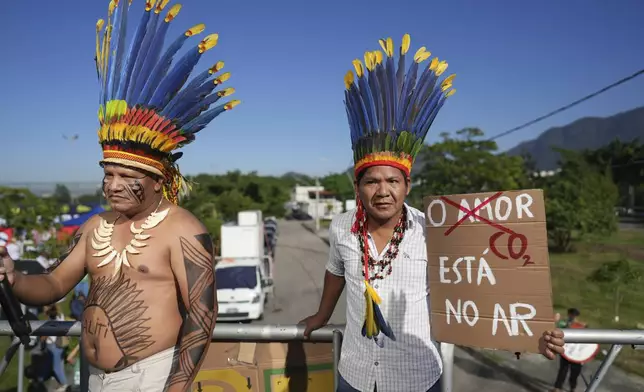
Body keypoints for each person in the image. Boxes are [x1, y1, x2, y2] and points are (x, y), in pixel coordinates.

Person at [300, 34, 566, 392]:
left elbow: (478, 286)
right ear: (357, 188)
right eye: (372, 182)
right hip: (355, 373)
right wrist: (321, 315)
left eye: (393, 181)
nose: (383, 191)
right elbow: (336, 271)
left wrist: (519, 333)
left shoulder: (438, 231)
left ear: (407, 186)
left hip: (418, 377)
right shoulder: (341, 227)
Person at [0, 0, 240, 390]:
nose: (112, 185)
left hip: (151, 377)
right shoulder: (96, 226)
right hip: (92, 378)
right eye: (108, 174)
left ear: (159, 181)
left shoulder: (182, 229)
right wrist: (13, 277)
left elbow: (202, 313)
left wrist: (176, 386)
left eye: (125, 176)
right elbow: (53, 285)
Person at [552, 308, 585, 392]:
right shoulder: (563, 323)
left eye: (574, 315)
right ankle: (557, 387)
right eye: (571, 314)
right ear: (569, 314)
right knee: (563, 370)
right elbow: (557, 330)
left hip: (577, 352)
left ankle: (572, 388)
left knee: (575, 373)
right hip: (566, 351)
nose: (572, 316)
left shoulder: (581, 326)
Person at [44, 305, 69, 391]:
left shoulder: (50, 321)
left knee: (56, 367)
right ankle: (61, 382)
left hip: (54, 345)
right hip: (60, 345)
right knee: (60, 365)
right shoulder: (61, 316)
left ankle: (64, 384)